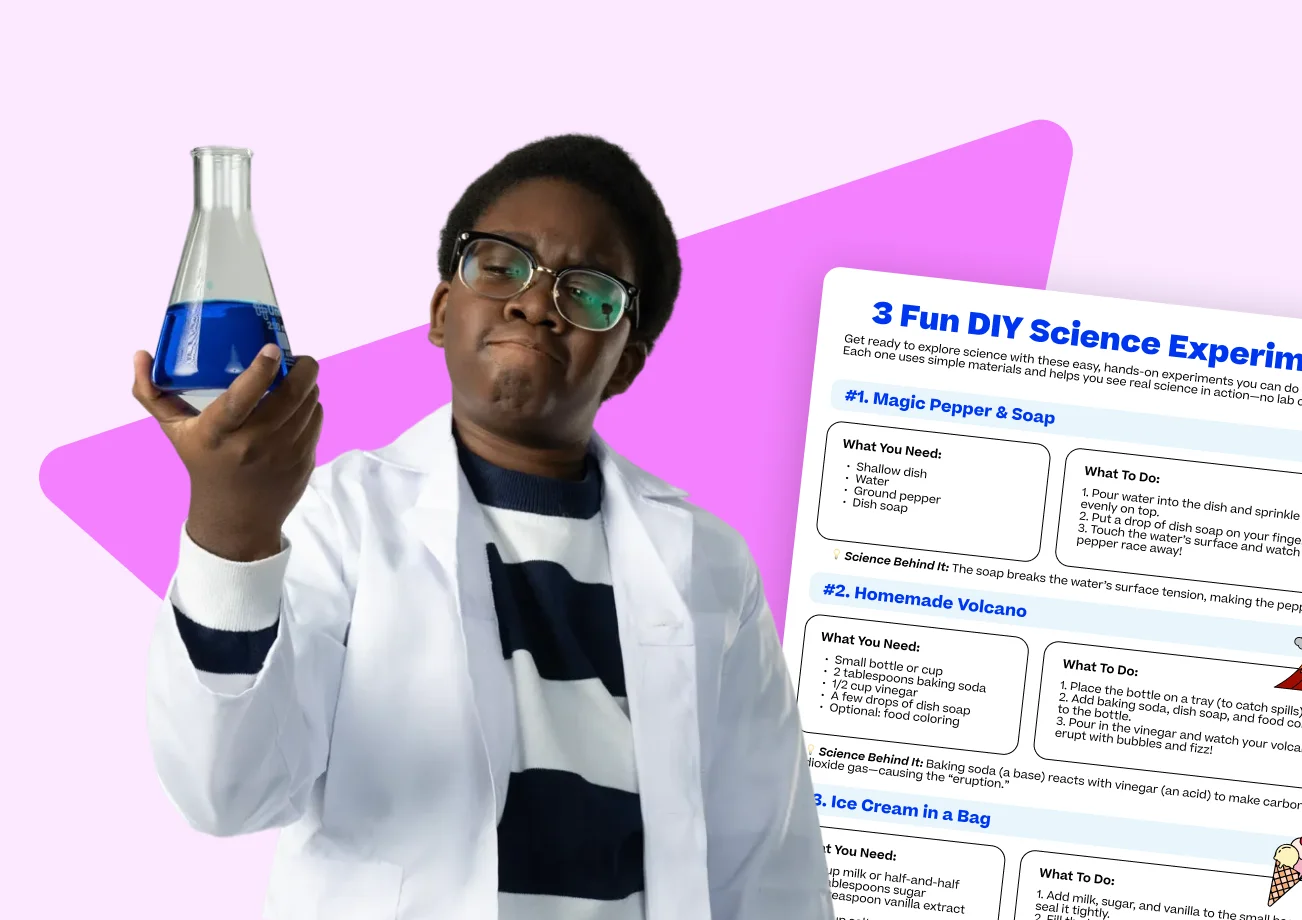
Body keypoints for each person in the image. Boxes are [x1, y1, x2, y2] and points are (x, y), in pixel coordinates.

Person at [133, 135, 832, 920]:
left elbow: (770, 861)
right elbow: (226, 790)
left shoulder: (708, 560)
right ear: (441, 311)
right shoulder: (343, 515)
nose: (534, 303)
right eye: (501, 265)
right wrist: (233, 534)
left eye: (590, 292)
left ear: (627, 361)